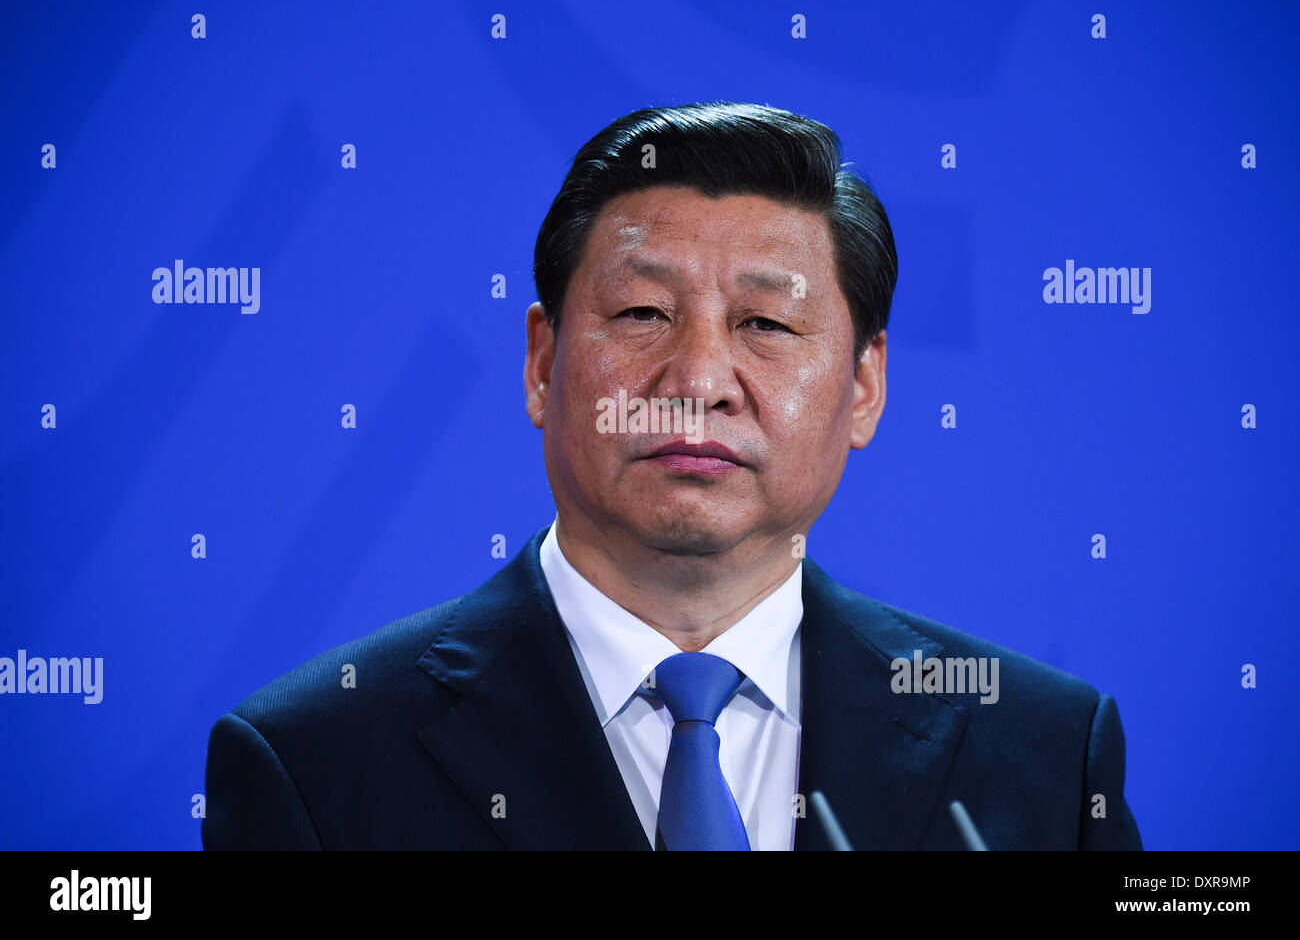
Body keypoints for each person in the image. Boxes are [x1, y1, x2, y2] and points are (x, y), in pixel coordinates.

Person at [202, 101, 1142, 850]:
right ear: (541, 362)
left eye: (765, 325)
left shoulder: (1043, 754)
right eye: (644, 311)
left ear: (864, 385)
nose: (696, 382)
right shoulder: (314, 759)